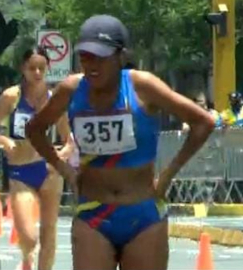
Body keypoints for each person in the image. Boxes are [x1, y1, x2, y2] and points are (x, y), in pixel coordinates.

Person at [25, 14, 215, 270]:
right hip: (94, 213)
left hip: (143, 215)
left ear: (120, 56)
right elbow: (35, 129)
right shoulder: (71, 89)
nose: (91, 65)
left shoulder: (142, 86)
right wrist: (65, 170)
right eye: (85, 56)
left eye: (100, 57)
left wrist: (168, 174)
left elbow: (203, 122)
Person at [0, 45, 74, 270]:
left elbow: (70, 140)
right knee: (29, 237)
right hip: (20, 172)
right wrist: (3, 141)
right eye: (32, 68)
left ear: (48, 68)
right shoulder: (11, 96)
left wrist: (59, 157)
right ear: (23, 68)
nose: (38, 73)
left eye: (42, 68)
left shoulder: (55, 99)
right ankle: (26, 256)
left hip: (49, 172)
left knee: (49, 234)